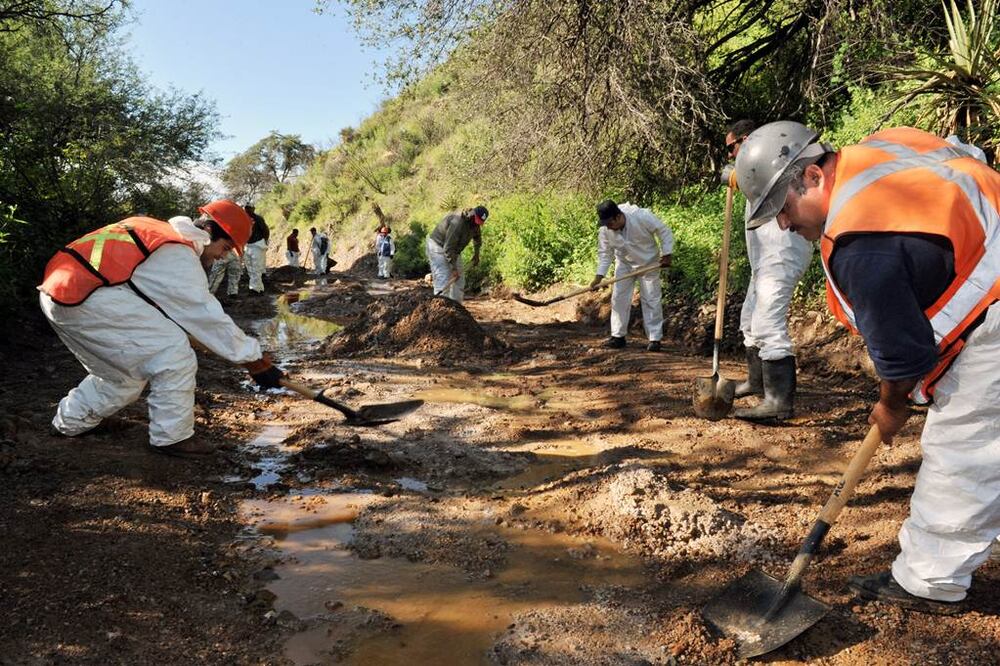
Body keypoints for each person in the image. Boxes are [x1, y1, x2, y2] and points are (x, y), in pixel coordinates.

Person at [734, 121, 1000, 614]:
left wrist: (891, 406)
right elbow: (970, 158)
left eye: (783, 209)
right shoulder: (885, 147)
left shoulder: (863, 246)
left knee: (963, 445)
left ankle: (930, 580)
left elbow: (904, 355)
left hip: (994, 316)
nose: (784, 226)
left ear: (812, 176)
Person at [38, 200, 285, 457]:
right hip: (87, 298)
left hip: (59, 296)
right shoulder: (176, 252)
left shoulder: (156, 232)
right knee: (174, 355)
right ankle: (172, 437)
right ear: (209, 231)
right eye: (225, 247)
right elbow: (204, 314)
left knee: (122, 376)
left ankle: (70, 422)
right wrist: (253, 359)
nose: (222, 256)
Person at [723, 120, 814, 420]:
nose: (730, 154)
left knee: (767, 322)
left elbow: (774, 180)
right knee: (749, 321)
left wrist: (737, 178)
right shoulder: (756, 163)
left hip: (782, 251)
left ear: (746, 139)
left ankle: (778, 402)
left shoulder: (773, 157)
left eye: (732, 147)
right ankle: (757, 382)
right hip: (764, 259)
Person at [590, 200, 673, 352]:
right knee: (619, 298)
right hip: (624, 265)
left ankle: (654, 339)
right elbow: (605, 253)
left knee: (651, 299)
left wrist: (667, 253)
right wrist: (599, 276)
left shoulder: (641, 216)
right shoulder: (605, 230)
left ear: (618, 216)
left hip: (649, 263)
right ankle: (618, 336)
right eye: (605, 224)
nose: (608, 227)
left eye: (610, 223)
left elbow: (663, 231)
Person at [425, 205, 487, 302]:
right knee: (443, 278)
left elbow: (477, 239)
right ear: (472, 214)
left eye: (479, 222)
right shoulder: (458, 223)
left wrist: (476, 255)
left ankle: (456, 307)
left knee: (459, 280)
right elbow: (448, 248)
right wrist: (453, 269)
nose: (477, 224)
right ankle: (440, 306)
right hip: (437, 247)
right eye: (476, 220)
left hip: (454, 250)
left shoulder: (474, 224)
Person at [244, 204, 269, 294]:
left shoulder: (258, 219)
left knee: (256, 268)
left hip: (257, 245)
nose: (248, 210)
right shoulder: (244, 219)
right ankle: (257, 288)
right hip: (248, 246)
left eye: (249, 208)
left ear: (253, 209)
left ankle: (256, 289)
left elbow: (265, 230)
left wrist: (265, 241)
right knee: (250, 268)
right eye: (246, 208)